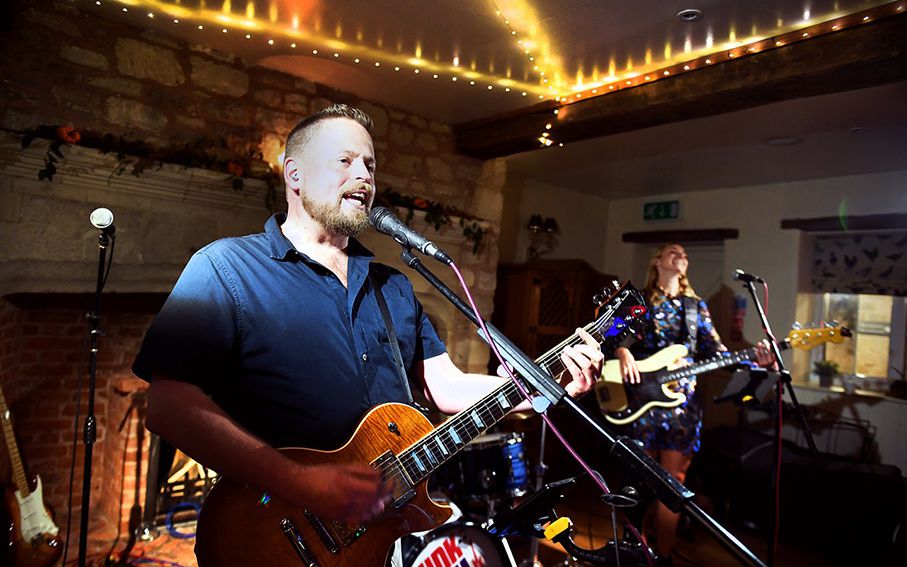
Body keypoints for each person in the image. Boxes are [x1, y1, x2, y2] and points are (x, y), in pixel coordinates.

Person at [132, 104, 604, 556]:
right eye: (345, 161)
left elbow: (448, 386)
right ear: (294, 174)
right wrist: (301, 481)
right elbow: (169, 405)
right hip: (272, 535)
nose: (364, 176)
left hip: (377, 538)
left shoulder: (392, 286)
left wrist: (549, 383)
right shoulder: (226, 267)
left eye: (370, 165)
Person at [613, 243, 774, 559]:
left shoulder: (695, 307)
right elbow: (611, 335)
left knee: (673, 484)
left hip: (681, 405)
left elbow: (717, 352)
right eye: (673, 252)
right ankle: (633, 552)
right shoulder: (639, 300)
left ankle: (664, 556)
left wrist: (755, 361)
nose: (682, 256)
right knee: (639, 480)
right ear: (657, 261)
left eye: (685, 254)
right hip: (640, 399)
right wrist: (622, 351)